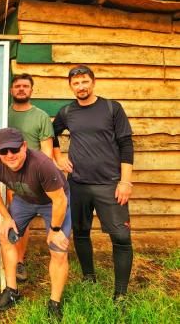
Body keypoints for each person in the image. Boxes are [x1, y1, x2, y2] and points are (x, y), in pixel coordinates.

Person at [52, 65, 134, 301]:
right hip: (78, 184)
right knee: (80, 232)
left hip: (110, 184)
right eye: (76, 83)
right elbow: (50, 133)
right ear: (71, 87)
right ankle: (89, 277)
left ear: (93, 82)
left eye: (85, 81)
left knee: (121, 237)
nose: (81, 86)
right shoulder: (67, 112)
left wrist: (125, 182)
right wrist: (59, 158)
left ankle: (120, 293)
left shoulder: (111, 108)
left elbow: (126, 145)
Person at [0, 128, 70, 318]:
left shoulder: (42, 164)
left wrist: (55, 230)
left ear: (24, 146)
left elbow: (60, 200)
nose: (10, 155)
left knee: (58, 248)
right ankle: (12, 291)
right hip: (24, 200)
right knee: (6, 236)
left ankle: (54, 303)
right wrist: (6, 218)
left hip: (52, 202)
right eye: (4, 151)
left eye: (14, 149)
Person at [0, 73, 54, 282]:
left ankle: (19, 261)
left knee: (22, 220)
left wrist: (38, 176)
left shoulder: (41, 117)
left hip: (27, 175)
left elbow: (47, 150)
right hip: (2, 170)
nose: (21, 89)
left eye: (25, 86)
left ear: (31, 90)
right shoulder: (2, 115)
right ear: (11, 90)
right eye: (17, 86)